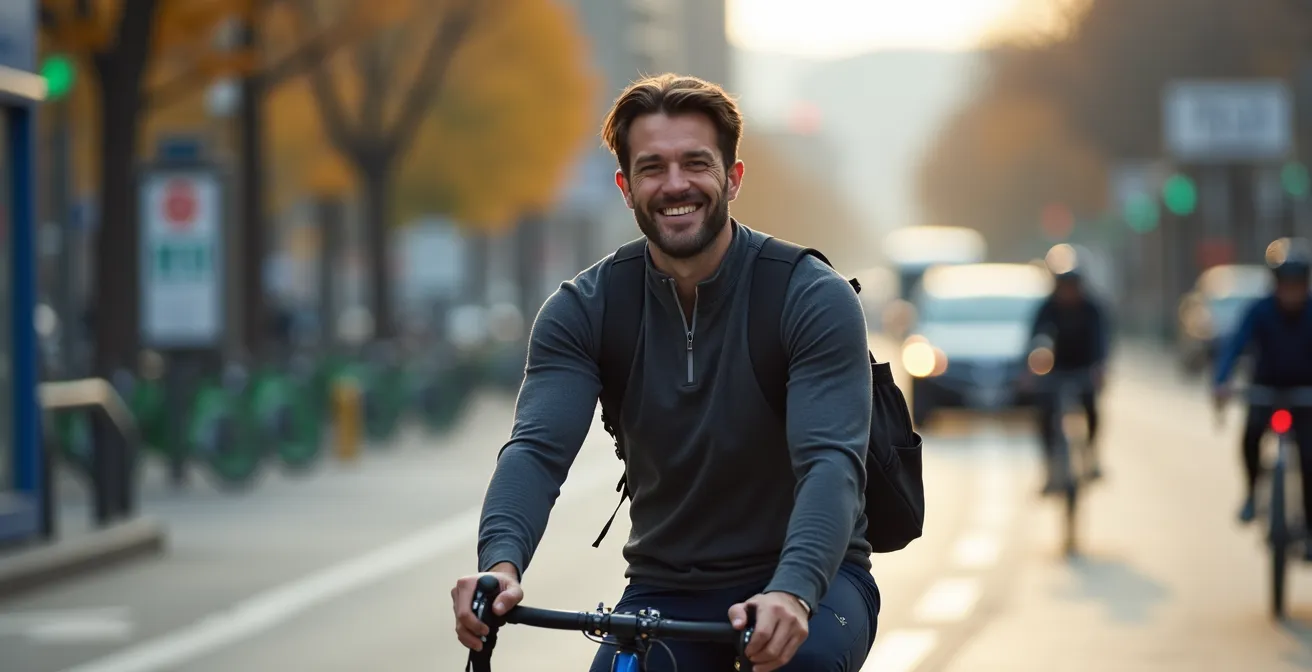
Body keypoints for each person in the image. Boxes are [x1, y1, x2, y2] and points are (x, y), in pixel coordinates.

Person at [450, 74, 880, 671]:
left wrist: (792, 590)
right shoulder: (586, 309)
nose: (675, 184)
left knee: (799, 665)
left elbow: (830, 463)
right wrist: (499, 565)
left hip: (815, 580)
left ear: (733, 177)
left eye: (696, 163)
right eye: (652, 168)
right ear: (626, 188)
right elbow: (536, 452)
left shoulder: (808, 295)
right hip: (666, 586)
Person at [1213, 239, 1312, 539]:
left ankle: (1309, 527)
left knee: (1309, 456)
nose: (1291, 292)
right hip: (1265, 390)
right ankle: (1252, 492)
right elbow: (1234, 347)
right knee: (1250, 438)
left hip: (1306, 394)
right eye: (1286, 285)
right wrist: (1221, 381)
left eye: (1297, 285)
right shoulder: (1259, 311)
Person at [1029, 266, 1110, 493]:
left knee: (1091, 407)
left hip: (1084, 367)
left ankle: (1091, 455)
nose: (1068, 293)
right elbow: (1036, 338)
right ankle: (1050, 468)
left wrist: (1099, 368)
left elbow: (1101, 342)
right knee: (1045, 413)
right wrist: (1034, 366)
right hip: (1055, 370)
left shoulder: (1092, 310)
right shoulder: (1048, 309)